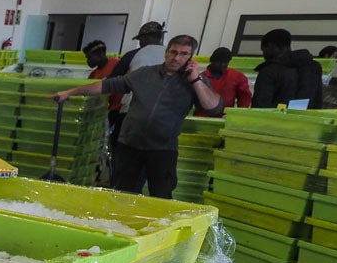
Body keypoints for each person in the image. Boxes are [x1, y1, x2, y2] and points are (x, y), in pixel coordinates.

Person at [51, 34, 222, 199]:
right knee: (123, 195)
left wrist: (195, 80)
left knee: (160, 197)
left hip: (162, 149)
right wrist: (70, 92)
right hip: (130, 146)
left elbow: (213, 107)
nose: (176, 58)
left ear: (191, 57)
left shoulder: (195, 82)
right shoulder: (144, 74)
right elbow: (107, 85)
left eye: (183, 54)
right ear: (166, 52)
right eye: (173, 52)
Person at [253, 28, 324, 108]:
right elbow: (318, 100)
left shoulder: (269, 71)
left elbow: (260, 106)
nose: (264, 55)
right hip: (306, 119)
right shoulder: (314, 67)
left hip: (274, 119)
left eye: (264, 50)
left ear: (271, 46)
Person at [201, 47, 250, 113]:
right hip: (203, 115)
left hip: (226, 116)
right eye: (219, 62)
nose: (222, 65)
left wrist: (239, 113)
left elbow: (245, 98)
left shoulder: (238, 77)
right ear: (212, 61)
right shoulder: (200, 77)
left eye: (225, 62)